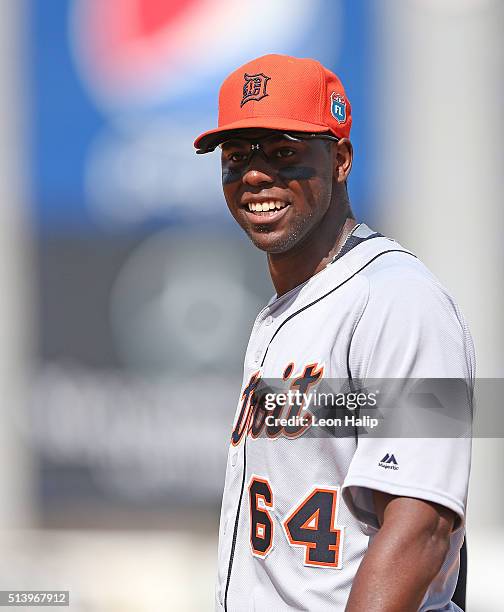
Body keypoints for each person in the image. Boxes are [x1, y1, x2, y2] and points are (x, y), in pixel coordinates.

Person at [194, 54, 474, 612]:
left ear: (340, 159)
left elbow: (422, 525)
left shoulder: (401, 299)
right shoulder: (289, 310)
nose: (254, 173)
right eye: (237, 155)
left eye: (283, 153)